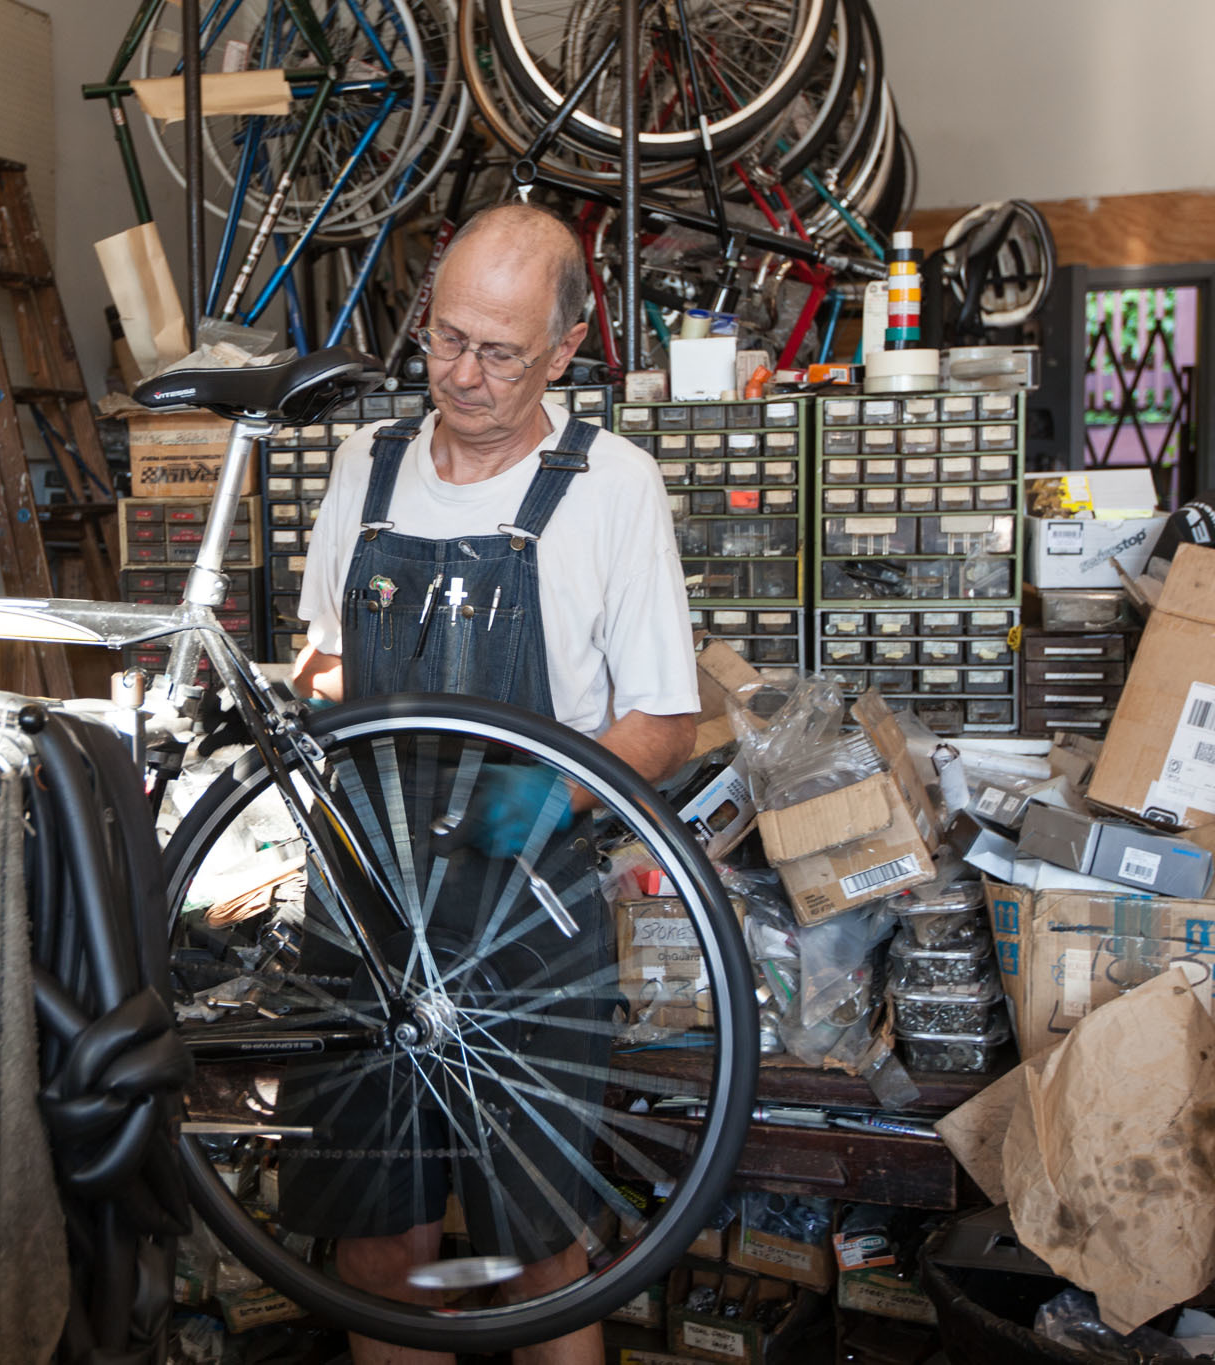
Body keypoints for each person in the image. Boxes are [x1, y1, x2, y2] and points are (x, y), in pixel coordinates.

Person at [287, 202, 700, 1365]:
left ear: (562, 352)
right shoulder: (361, 465)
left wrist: (549, 796)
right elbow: (321, 656)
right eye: (443, 338)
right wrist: (303, 707)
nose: (460, 374)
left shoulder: (611, 487)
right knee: (379, 1240)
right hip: (366, 892)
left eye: (497, 351)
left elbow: (664, 721)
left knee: (536, 1240)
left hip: (526, 895)